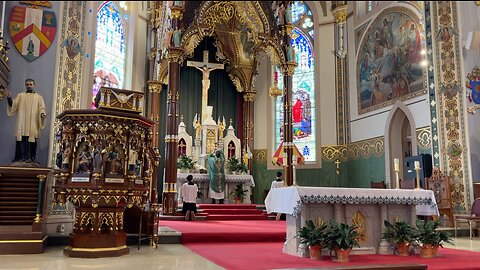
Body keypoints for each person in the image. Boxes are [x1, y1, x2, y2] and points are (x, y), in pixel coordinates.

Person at [6, 78, 47, 163]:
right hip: (22, 122)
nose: (29, 86)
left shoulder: (39, 97)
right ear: (25, 85)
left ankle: (31, 158)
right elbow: (13, 106)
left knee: (32, 139)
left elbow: (42, 108)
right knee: (21, 139)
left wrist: (42, 114)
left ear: (34, 85)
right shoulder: (20, 96)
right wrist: (9, 98)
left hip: (33, 122)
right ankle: (20, 158)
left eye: (30, 84)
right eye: (27, 84)